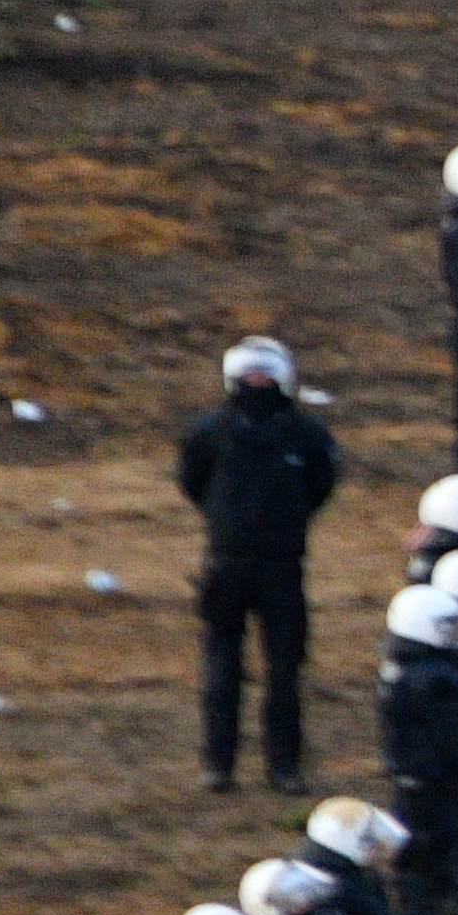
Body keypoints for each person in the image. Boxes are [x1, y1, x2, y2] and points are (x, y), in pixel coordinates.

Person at [171, 336, 342, 786]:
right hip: (226, 564)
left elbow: (321, 485)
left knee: (285, 671)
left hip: (283, 567)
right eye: (249, 373)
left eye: (265, 373)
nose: (257, 381)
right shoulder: (209, 432)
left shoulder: (306, 433)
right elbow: (192, 483)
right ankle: (217, 765)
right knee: (222, 669)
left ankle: (284, 767)